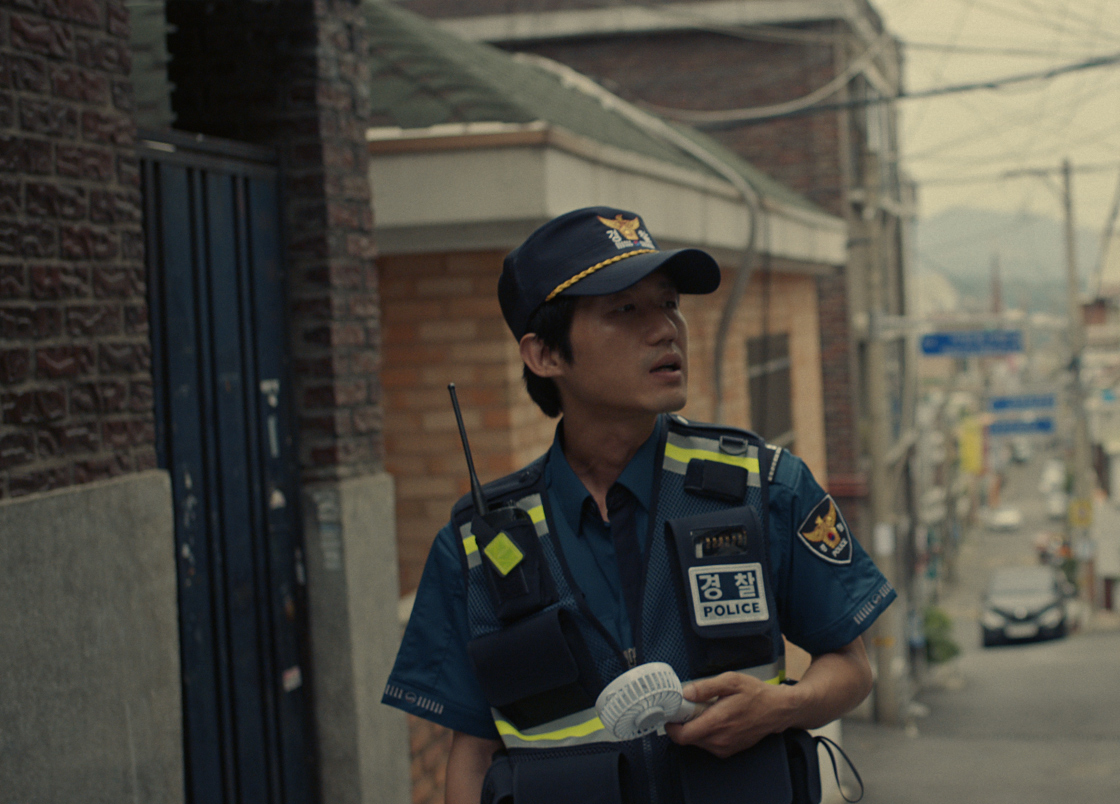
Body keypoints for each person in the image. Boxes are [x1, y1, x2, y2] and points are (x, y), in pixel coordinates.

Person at [382, 207, 897, 804]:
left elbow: (851, 667)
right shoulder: (476, 547)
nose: (666, 329)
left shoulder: (765, 486)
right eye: (625, 310)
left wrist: (781, 707)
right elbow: (472, 755)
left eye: (669, 303)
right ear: (545, 355)